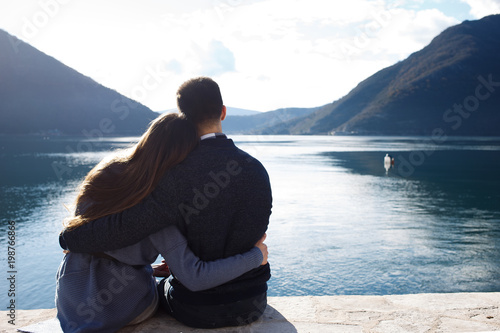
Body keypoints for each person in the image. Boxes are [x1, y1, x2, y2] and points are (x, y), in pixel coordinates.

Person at [60, 77, 273, 328]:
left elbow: (125, 228)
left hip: (196, 308)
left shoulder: (174, 177)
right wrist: (256, 256)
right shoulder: (258, 171)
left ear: (186, 118)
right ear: (223, 112)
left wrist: (70, 238)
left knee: (160, 288)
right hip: (254, 301)